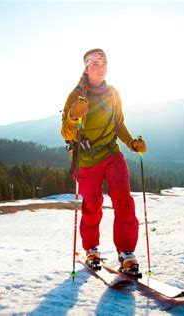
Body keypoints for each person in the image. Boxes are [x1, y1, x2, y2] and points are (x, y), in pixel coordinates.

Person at [60, 48, 147, 273]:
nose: (100, 68)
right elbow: (66, 134)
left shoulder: (113, 93)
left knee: (124, 200)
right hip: (87, 160)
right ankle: (92, 249)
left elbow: (118, 124)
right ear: (86, 68)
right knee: (93, 206)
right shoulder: (76, 96)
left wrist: (132, 144)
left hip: (111, 154)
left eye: (103, 63)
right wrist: (73, 115)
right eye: (94, 64)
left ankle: (126, 253)